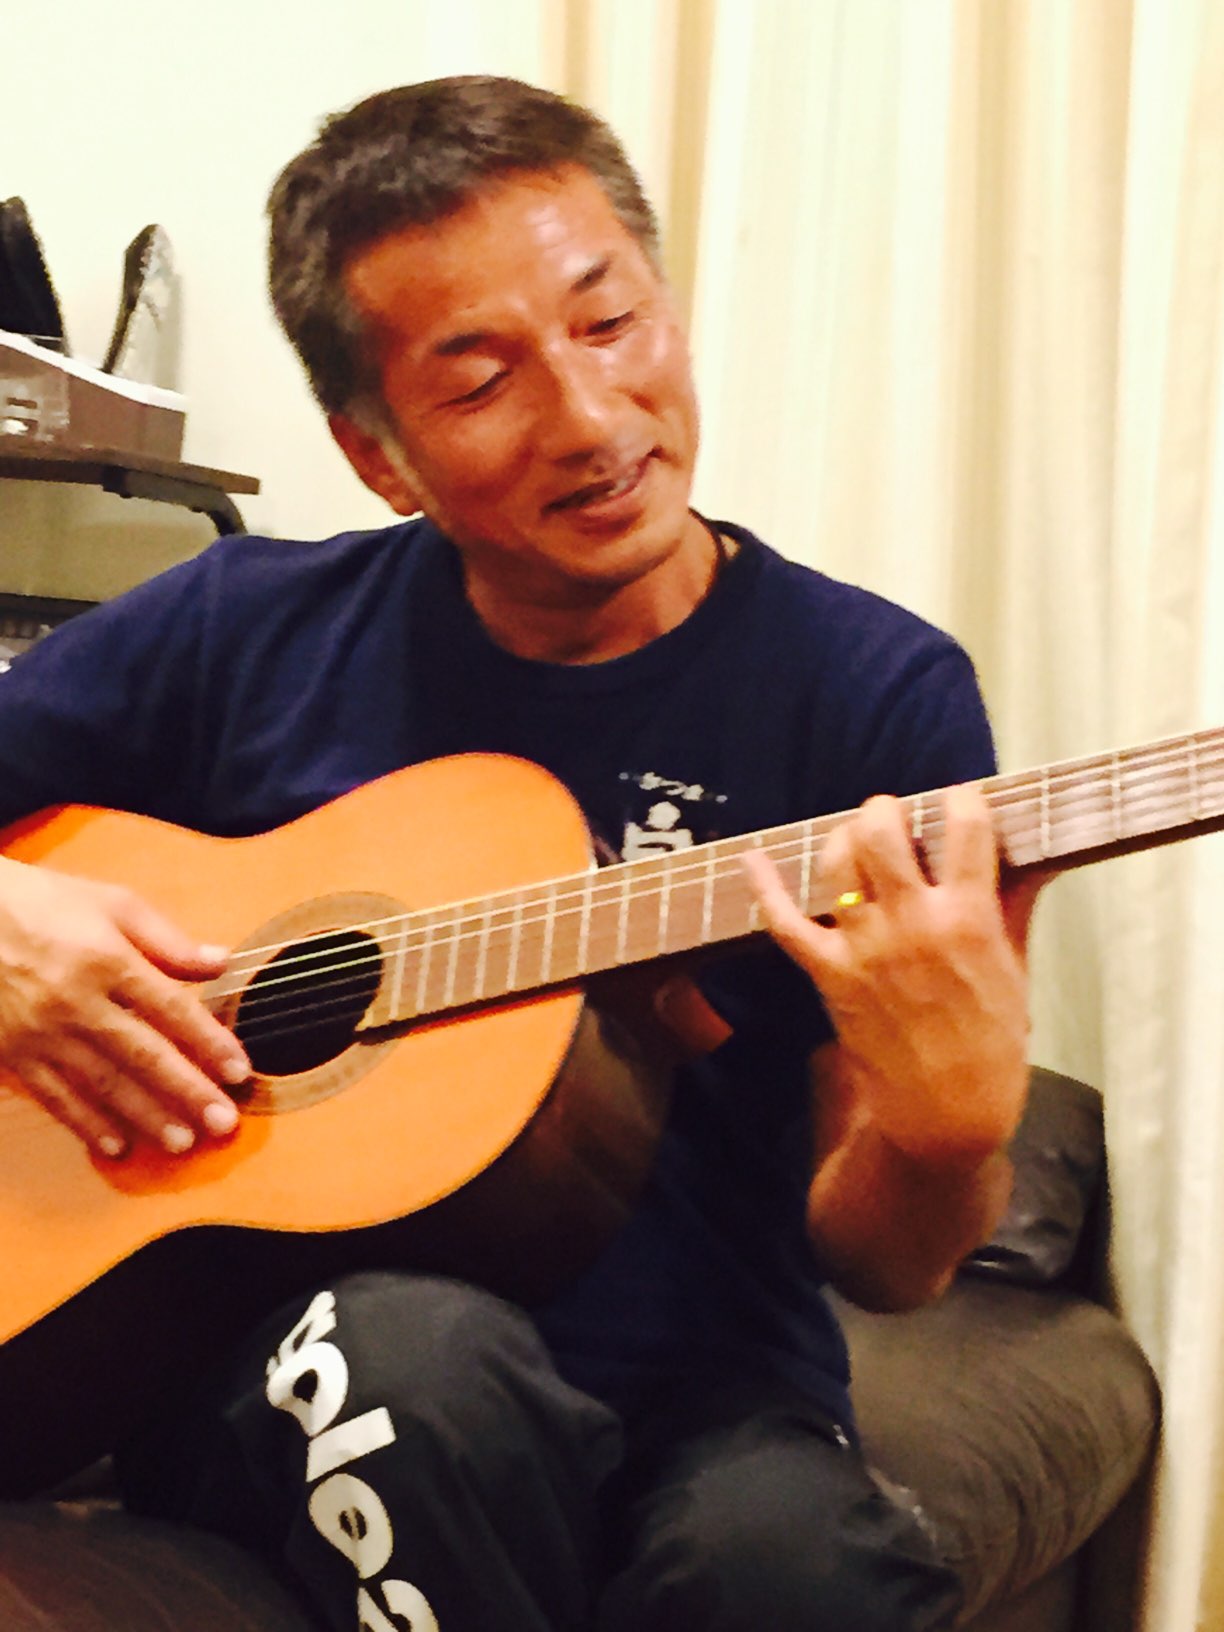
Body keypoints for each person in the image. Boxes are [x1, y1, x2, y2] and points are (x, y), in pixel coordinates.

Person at [0, 76, 1037, 1632]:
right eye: (483, 380)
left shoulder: (870, 694)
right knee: (417, 1376)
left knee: (800, 1568)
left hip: (713, 1397)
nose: (594, 419)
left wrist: (949, 1138)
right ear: (378, 457)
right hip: (298, 1371)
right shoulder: (236, 630)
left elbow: (888, 1270)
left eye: (611, 323)